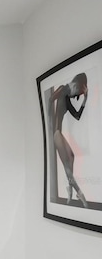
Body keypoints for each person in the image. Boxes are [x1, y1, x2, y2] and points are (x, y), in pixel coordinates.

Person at [49, 72, 89, 207]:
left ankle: (70, 191)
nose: (76, 95)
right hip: (55, 133)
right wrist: (49, 125)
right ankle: (79, 193)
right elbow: (49, 101)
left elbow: (77, 116)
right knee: (67, 165)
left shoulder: (66, 99)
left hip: (58, 132)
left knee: (71, 157)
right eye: (79, 91)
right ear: (76, 84)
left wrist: (85, 99)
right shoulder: (62, 89)